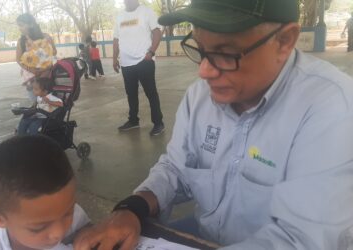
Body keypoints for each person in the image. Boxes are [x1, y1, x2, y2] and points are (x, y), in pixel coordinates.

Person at [73, 0, 353, 249]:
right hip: (207, 234)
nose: (204, 71)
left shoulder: (331, 108)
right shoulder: (200, 97)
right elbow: (176, 167)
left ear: (284, 41)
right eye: (201, 49)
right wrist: (133, 208)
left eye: (226, 53)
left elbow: (302, 240)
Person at [0, 135, 91, 250]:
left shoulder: (60, 208)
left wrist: (86, 234)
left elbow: (85, 228)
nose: (59, 232)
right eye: (38, 228)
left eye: (68, 213)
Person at [113, 0, 164, 136]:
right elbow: (116, 39)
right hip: (125, 63)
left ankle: (158, 123)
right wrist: (114, 59)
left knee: (151, 93)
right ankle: (133, 121)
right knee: (131, 94)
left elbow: (157, 32)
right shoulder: (119, 16)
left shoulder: (146, 12)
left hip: (144, 60)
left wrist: (152, 51)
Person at [16, 13, 57, 101]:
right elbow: (18, 59)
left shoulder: (46, 37)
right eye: (18, 26)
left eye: (21, 25)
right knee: (35, 103)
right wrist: (31, 70)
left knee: (49, 103)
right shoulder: (21, 41)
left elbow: (54, 52)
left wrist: (44, 66)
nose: (19, 28)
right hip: (31, 79)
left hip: (46, 77)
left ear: (31, 24)